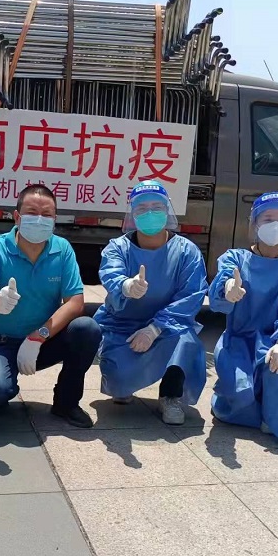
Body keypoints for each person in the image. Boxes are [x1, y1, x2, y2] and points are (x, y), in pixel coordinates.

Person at [0, 184, 102, 428]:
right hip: (1, 340)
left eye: (47, 214)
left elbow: (75, 303)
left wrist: (38, 336)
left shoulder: (62, 249)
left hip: (42, 340)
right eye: (31, 212)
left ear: (54, 220)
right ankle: (4, 383)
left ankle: (66, 403)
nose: (39, 219)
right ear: (17, 217)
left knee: (87, 329)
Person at [208, 192, 278, 452]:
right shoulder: (237, 258)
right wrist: (227, 288)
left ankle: (274, 414)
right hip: (240, 340)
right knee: (237, 399)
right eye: (268, 218)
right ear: (255, 223)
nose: (275, 224)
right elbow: (224, 279)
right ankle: (247, 403)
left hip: (277, 339)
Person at [94, 180, 207, 424]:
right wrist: (126, 286)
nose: (150, 213)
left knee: (185, 340)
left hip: (167, 327)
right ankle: (120, 381)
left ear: (167, 210)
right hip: (123, 325)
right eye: (142, 208)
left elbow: (191, 296)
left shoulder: (187, 252)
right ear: (132, 214)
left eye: (157, 207)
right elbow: (111, 273)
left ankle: (170, 396)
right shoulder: (118, 248)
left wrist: (155, 328)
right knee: (119, 381)